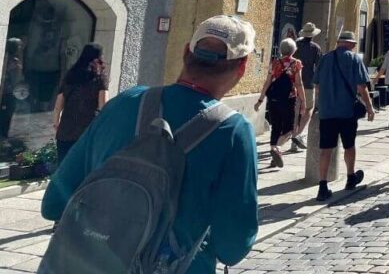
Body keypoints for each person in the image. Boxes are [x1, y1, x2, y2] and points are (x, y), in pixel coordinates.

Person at [41, 15, 259, 274]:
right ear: (242, 67)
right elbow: (232, 247)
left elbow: (53, 203)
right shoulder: (233, 131)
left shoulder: (125, 102)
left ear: (186, 52)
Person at [315, 30, 375, 201]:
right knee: (349, 145)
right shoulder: (355, 59)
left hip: (327, 112)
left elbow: (317, 86)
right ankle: (350, 178)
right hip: (347, 111)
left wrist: (322, 104)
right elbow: (362, 87)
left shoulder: (325, 58)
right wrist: (370, 108)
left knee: (325, 149)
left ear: (338, 42)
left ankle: (322, 185)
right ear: (351, 44)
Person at [51, 43, 108, 164]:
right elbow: (104, 107)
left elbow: (58, 106)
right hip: (86, 132)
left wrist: (57, 124)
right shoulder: (99, 79)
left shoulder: (70, 75)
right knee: (81, 170)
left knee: (63, 169)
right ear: (98, 58)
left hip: (65, 131)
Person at [254, 38, 306, 168]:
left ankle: (274, 155)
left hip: (273, 99)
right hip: (288, 99)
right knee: (288, 130)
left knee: (276, 127)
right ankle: (276, 148)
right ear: (294, 50)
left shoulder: (275, 63)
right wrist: (303, 101)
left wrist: (260, 100)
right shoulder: (296, 63)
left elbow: (267, 82)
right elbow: (299, 83)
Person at [292, 22, 323, 150]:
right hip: (309, 82)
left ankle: (294, 137)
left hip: (294, 82)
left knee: (295, 111)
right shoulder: (315, 48)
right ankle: (299, 134)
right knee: (309, 109)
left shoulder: (295, 45)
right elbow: (320, 66)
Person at [0, 38, 22, 139]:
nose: (20, 48)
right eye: (19, 46)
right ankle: (3, 134)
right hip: (8, 92)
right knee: (7, 114)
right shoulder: (14, 62)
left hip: (6, 91)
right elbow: (15, 80)